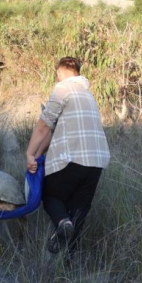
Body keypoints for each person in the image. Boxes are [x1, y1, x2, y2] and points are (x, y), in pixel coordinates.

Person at [25, 57, 110, 254]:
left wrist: (30, 154)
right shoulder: (88, 94)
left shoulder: (63, 88)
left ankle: (62, 223)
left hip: (72, 158)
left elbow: (44, 126)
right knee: (79, 211)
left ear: (60, 73)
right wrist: (38, 154)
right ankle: (70, 266)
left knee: (52, 196)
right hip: (96, 161)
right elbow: (54, 131)